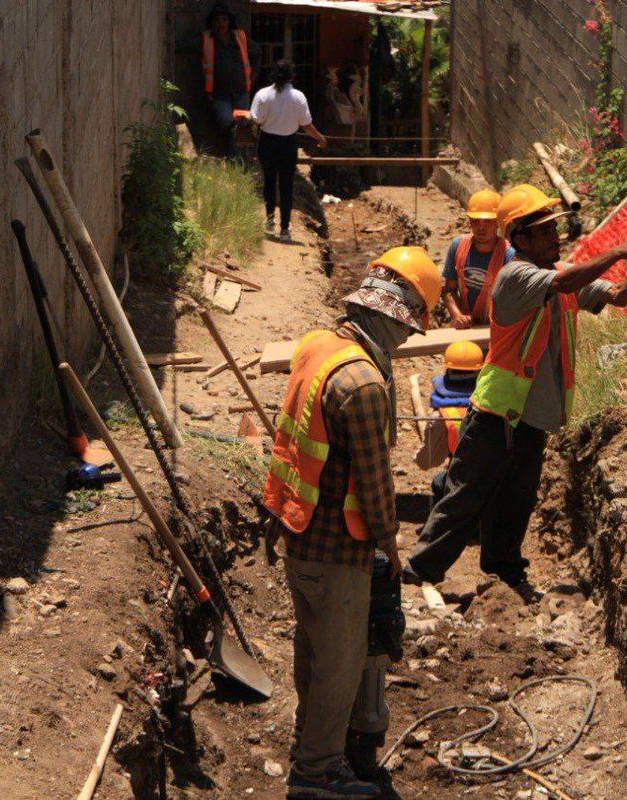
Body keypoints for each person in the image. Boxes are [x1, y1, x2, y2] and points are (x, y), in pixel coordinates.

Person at [403, 186, 627, 601]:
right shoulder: (515, 278)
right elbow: (564, 280)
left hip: (533, 414)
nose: (555, 238)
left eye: (554, 230)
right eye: (544, 232)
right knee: (466, 492)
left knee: (517, 498)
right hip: (497, 410)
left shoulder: (556, 279)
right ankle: (419, 571)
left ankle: (504, 572)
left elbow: (618, 295)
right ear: (521, 241)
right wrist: (619, 251)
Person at [263, 247, 442, 799]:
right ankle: (316, 775)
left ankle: (310, 747)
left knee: (312, 654)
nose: (410, 339)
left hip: (297, 530)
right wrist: (389, 547)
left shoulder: (318, 347)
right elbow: (374, 482)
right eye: (410, 327)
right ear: (392, 316)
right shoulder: (364, 383)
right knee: (339, 669)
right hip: (340, 548)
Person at [251, 61, 327, 243]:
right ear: (291, 77)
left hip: (267, 143)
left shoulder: (262, 94)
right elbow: (306, 125)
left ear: (273, 75)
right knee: (286, 186)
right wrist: (320, 138)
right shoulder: (298, 97)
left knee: (269, 181)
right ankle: (285, 229)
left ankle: (270, 220)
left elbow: (256, 120)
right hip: (288, 144)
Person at [442, 190, 517, 329]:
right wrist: (457, 315)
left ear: (497, 222)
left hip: (497, 328)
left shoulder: (508, 255)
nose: (481, 227)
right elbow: (449, 290)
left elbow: (515, 300)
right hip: (467, 327)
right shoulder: (457, 246)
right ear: (470, 221)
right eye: (476, 220)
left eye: (487, 221)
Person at [415, 341, 484, 474]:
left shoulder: (440, 418)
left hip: (463, 479)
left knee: (440, 481)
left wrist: (418, 457)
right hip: (491, 476)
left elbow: (427, 462)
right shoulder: (491, 410)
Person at [202, 2, 261, 156]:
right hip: (220, 95)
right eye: (217, 20)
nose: (221, 24)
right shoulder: (207, 39)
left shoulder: (239, 37)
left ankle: (237, 161)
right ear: (212, 23)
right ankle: (233, 155)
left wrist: (252, 77)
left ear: (229, 22)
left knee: (242, 126)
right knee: (226, 121)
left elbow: (257, 53)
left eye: (224, 20)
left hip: (241, 92)